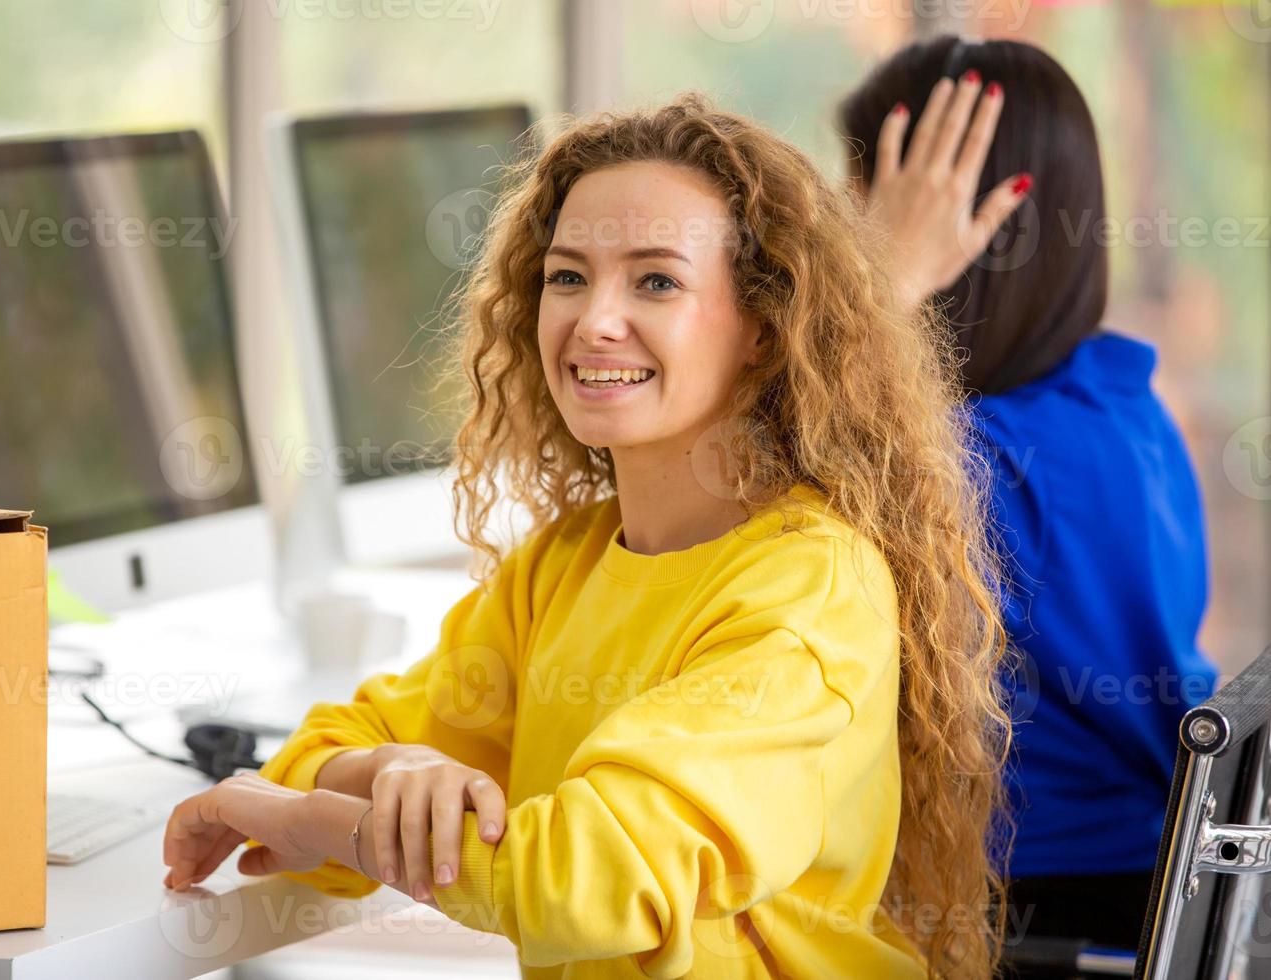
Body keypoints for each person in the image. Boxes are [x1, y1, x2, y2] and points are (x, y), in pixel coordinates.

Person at [162, 92, 1012, 977]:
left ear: (763, 328)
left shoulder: (810, 587)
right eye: (568, 276)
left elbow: (584, 877)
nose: (594, 319)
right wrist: (393, 767)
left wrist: (327, 824)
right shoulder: (564, 563)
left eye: (656, 280)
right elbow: (321, 744)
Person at [838, 35, 1219, 950]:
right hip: (1145, 882)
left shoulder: (974, 456)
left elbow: (751, 506)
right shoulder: (1124, 404)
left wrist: (882, 284)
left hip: (1028, 913)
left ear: (963, 236)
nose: (834, 248)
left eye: (863, 210)